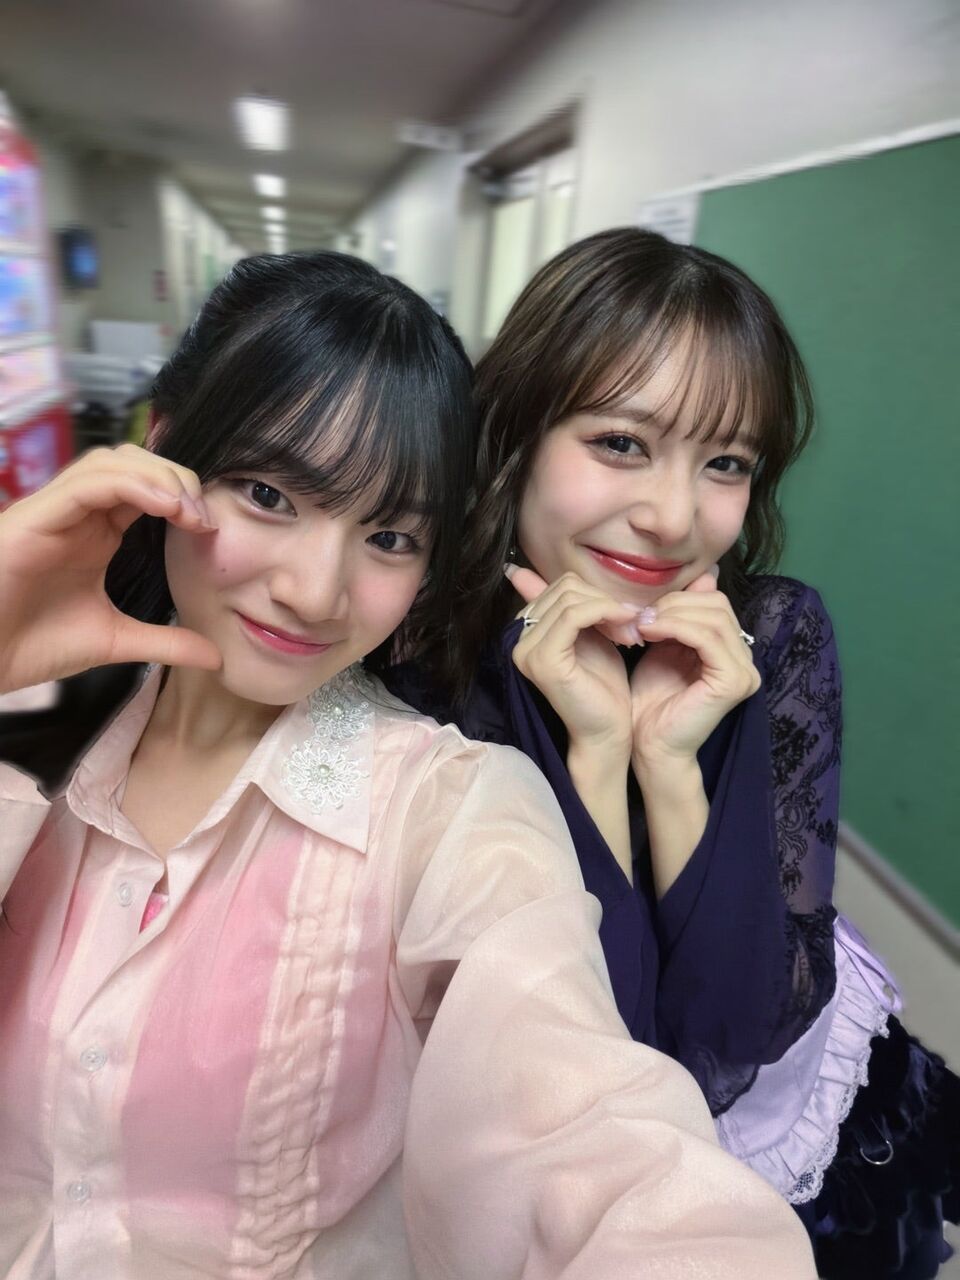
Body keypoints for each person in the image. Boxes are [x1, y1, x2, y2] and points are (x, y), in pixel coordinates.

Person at [0, 250, 817, 1279]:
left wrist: (643, 759)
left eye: (389, 536)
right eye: (268, 493)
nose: (315, 592)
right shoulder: (46, 724)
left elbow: (590, 1106)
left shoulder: (451, 796)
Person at [389, 228, 959, 1278]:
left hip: (802, 1151)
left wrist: (666, 761)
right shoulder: (426, 666)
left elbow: (735, 1032)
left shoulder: (773, 635)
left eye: (726, 463)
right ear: (516, 434)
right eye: (620, 442)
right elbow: (603, 1060)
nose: (671, 517)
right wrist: (593, 759)